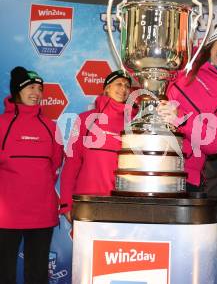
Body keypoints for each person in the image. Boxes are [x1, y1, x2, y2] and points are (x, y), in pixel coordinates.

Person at [157, 22, 217, 269]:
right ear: (212, 42)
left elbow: (213, 144)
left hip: (188, 182)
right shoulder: (182, 67)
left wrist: (180, 119)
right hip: (149, 171)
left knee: (189, 264)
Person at [0, 66, 64, 284]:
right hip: (6, 215)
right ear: (17, 91)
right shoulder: (1, 125)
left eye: (39, 88)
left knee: (37, 275)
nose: (36, 92)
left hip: (41, 213)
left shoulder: (50, 127)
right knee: (3, 273)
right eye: (30, 87)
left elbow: (55, 163)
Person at [59, 70, 132, 223]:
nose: (123, 89)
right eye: (118, 84)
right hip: (88, 204)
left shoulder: (133, 123)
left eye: (127, 86)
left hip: (123, 205)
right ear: (107, 88)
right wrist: (66, 204)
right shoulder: (85, 119)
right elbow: (71, 163)